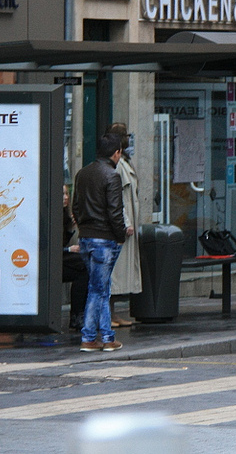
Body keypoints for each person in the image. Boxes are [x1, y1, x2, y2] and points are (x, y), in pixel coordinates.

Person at [72, 133, 130, 352]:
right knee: (98, 290)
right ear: (116, 153)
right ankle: (88, 337)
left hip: (86, 237)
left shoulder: (82, 174)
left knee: (100, 288)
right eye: (120, 153)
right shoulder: (112, 176)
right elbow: (115, 212)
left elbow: (76, 207)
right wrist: (120, 235)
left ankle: (107, 337)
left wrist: (84, 229)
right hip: (105, 239)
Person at [105, 123, 141, 327]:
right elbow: (116, 197)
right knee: (114, 272)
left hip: (125, 224)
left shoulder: (124, 162)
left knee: (119, 272)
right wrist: (125, 222)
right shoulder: (117, 165)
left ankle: (114, 313)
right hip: (120, 226)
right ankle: (109, 315)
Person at [61, 184, 88, 333]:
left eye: (66, 194)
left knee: (85, 266)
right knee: (83, 266)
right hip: (50, 261)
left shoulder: (65, 215)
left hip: (61, 258)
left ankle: (79, 314)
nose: (65, 197)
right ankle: (77, 316)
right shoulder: (51, 215)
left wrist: (71, 228)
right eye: (62, 194)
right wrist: (68, 249)